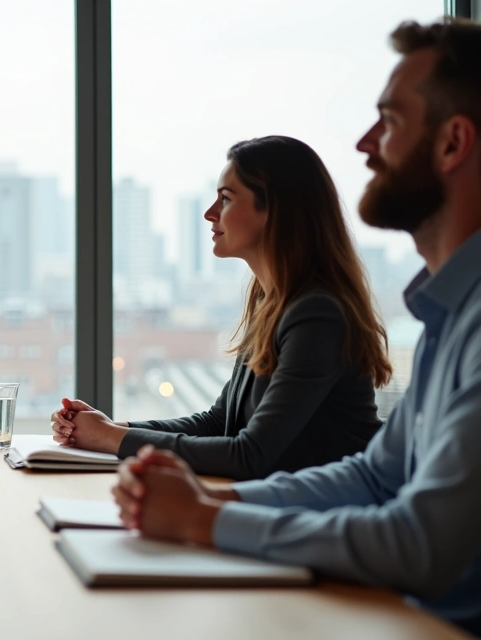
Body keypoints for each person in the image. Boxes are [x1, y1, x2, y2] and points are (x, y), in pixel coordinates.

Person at [111, 20, 481, 635]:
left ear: (452, 144)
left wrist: (206, 520)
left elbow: (422, 542)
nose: (365, 144)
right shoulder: (449, 314)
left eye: (388, 122)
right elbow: (374, 476)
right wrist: (212, 501)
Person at [51, 136, 391, 480]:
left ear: (275, 211)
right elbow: (220, 422)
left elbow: (249, 454)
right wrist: (111, 427)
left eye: (226, 199)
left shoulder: (318, 315)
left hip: (328, 517)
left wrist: (110, 438)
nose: (210, 213)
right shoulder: (271, 302)